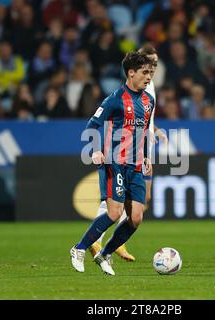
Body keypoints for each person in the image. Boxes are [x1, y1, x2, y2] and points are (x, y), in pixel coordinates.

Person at [70, 51, 154, 276]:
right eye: (145, 73)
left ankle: (105, 254)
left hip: (135, 166)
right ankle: (79, 248)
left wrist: (146, 155)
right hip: (114, 162)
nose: (149, 77)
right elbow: (92, 125)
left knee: (136, 218)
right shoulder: (115, 98)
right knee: (114, 213)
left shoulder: (149, 101)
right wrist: (96, 150)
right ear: (131, 73)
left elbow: (143, 131)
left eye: (151, 73)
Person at [88, 45, 167, 262]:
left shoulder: (149, 89)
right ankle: (98, 240)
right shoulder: (136, 86)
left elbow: (145, 120)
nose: (152, 70)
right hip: (124, 153)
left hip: (142, 152)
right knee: (119, 200)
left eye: (155, 66)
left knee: (141, 200)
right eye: (149, 64)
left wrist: (155, 131)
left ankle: (117, 241)